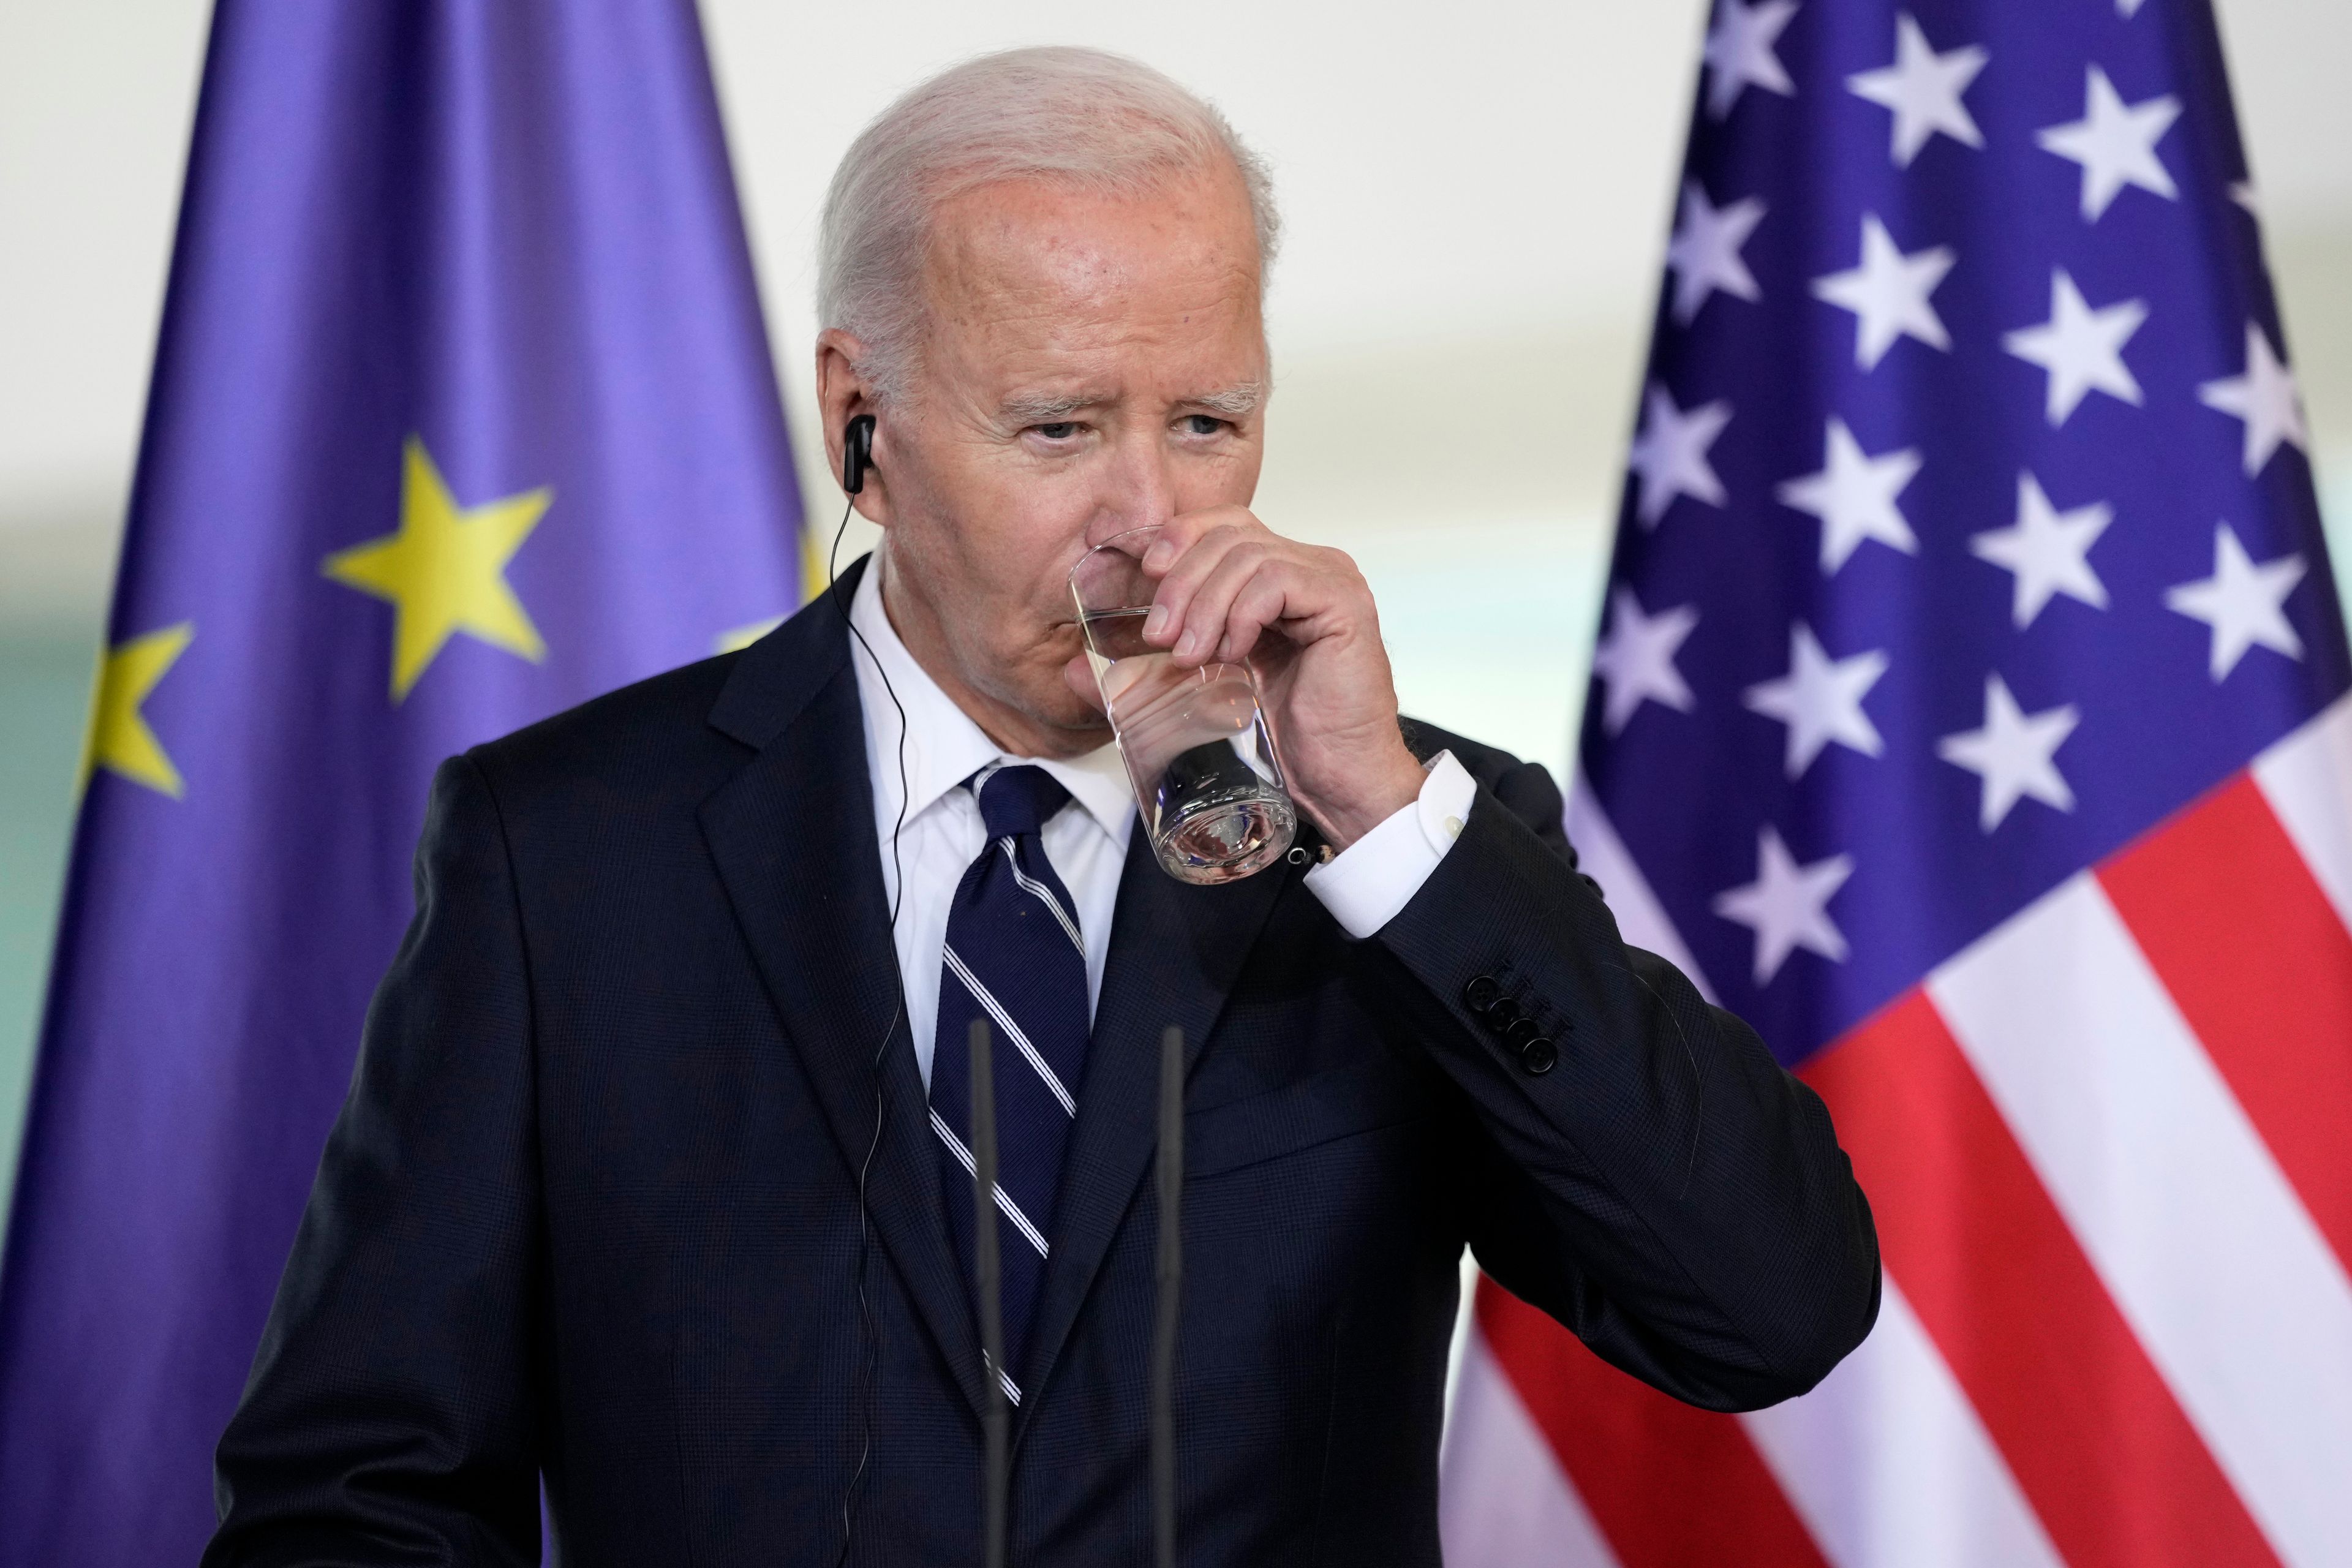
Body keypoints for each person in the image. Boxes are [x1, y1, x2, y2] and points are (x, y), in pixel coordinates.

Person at [206, 47, 1878, 1566]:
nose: (1150, 522)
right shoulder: (565, 854)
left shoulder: (1407, 841)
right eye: (1063, 427)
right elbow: (353, 1499)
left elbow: (1768, 1312)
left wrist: (1378, 822)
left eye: (1209, 424)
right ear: (864, 425)